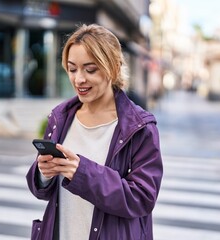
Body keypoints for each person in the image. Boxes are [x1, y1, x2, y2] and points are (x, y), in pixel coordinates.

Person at [26, 24, 163, 240]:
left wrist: (81, 172)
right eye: (72, 69)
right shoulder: (60, 117)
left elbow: (142, 198)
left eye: (90, 69)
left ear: (114, 68)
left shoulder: (140, 128)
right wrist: (44, 172)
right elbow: (41, 190)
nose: (79, 79)